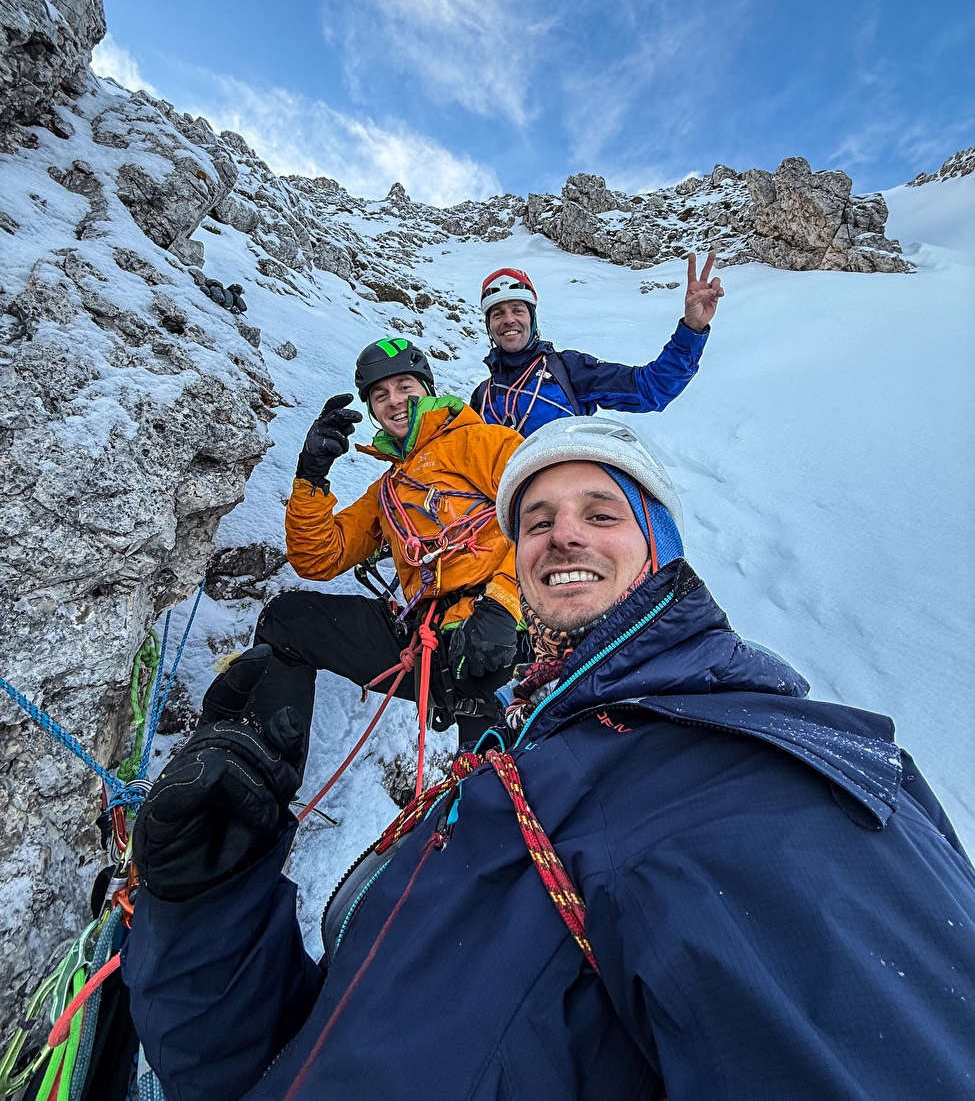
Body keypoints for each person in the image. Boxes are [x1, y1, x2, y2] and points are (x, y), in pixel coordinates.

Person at [123, 418, 975, 1101]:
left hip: (477, 634)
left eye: (601, 515)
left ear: (662, 550)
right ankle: (246, 772)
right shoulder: (517, 786)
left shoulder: (761, 779)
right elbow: (317, 1053)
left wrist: (491, 603)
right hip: (455, 653)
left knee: (476, 704)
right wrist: (209, 903)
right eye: (540, 521)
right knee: (294, 628)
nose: (562, 532)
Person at [248, 335, 524, 748]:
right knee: (287, 621)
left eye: (404, 388)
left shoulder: (483, 442)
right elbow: (320, 558)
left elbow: (546, 516)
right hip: (427, 640)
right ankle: (257, 782)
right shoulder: (388, 491)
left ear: (427, 390)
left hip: (500, 632)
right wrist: (311, 475)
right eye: (380, 395)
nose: (393, 401)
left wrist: (505, 604)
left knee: (493, 780)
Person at [470, 255, 723, 434]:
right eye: (498, 314)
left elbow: (651, 389)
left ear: (532, 320)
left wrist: (692, 329)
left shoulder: (567, 368)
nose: (509, 320)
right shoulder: (483, 396)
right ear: (490, 326)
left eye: (517, 310)